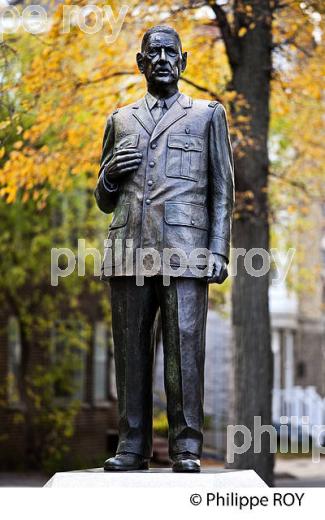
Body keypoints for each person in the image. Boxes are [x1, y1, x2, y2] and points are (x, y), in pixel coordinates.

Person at [94, 25, 234, 473]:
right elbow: (103, 198)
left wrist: (218, 250)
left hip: (186, 250)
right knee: (130, 352)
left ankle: (186, 447)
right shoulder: (120, 119)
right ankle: (132, 445)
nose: (161, 59)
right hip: (129, 250)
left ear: (184, 60)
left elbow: (221, 191)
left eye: (169, 52)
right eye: (152, 52)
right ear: (140, 63)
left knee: (184, 351)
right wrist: (110, 174)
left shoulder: (207, 115)